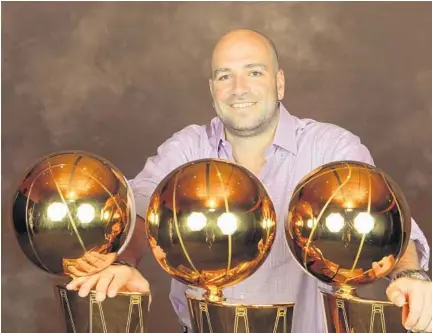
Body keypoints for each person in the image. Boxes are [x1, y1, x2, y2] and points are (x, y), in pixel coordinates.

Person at [67, 29, 432, 332]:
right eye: (225, 76)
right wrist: (122, 263)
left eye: (254, 72)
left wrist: (411, 275)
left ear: (279, 83)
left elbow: (388, 224)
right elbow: (139, 211)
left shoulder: (331, 149)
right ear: (213, 90)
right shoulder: (187, 149)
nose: (239, 88)